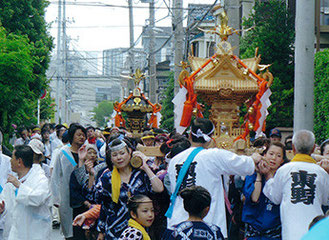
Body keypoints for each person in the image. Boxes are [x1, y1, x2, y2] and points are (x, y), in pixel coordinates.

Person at [166, 118, 260, 238]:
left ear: (190, 135)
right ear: (211, 137)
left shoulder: (175, 160)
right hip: (208, 224)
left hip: (178, 224)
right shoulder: (214, 155)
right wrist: (255, 157)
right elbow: (245, 165)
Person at [89, 138, 164, 239]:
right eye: (115, 155)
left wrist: (145, 167)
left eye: (122, 153)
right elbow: (100, 202)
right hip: (115, 229)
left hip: (139, 229)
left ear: (130, 154)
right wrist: (91, 176)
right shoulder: (107, 177)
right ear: (111, 159)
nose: (119, 157)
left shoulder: (140, 174)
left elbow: (159, 189)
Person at [263, 130, 329, 240]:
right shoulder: (321, 172)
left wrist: (269, 177)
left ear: (293, 148)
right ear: (313, 149)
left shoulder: (284, 170)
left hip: (291, 233)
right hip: (315, 232)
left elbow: (275, 197)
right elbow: (325, 200)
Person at [0, 145, 51, 240]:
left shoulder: (40, 179)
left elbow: (37, 199)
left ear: (19, 161)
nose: (10, 161)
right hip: (15, 233)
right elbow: (5, 200)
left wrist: (19, 185)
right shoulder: (12, 180)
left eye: (12, 158)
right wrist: (2, 208)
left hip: (35, 233)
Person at [242, 142, 287, 240]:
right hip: (254, 230)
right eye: (271, 154)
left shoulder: (283, 177)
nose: (274, 158)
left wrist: (269, 176)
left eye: (278, 156)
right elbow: (254, 198)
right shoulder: (252, 173)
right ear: (264, 155)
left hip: (274, 231)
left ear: (282, 160)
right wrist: (259, 174)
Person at [51, 123, 87, 239]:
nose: (81, 137)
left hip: (84, 197)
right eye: (78, 135)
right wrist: (56, 198)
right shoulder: (63, 152)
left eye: (83, 135)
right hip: (67, 195)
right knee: (70, 230)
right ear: (71, 136)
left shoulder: (87, 152)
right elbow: (55, 176)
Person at [69, 143, 106, 240]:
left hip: (96, 208)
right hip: (81, 207)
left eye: (94, 153)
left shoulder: (100, 169)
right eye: (89, 153)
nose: (92, 155)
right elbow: (74, 190)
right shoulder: (77, 171)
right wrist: (86, 203)